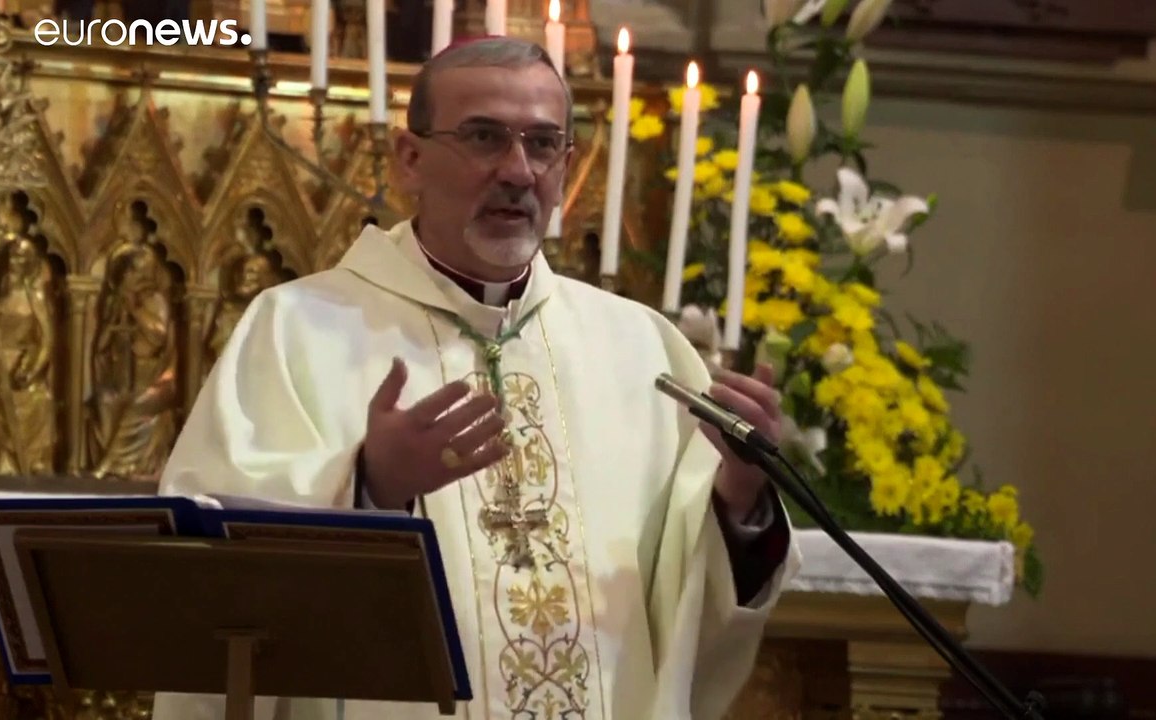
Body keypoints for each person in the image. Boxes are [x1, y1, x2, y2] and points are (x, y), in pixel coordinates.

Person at [153, 36, 800, 720]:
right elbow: (210, 568)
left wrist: (740, 498)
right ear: (409, 159)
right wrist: (368, 489)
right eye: (485, 137)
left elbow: (690, 605)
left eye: (543, 144)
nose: (518, 171)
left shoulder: (641, 348)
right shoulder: (297, 329)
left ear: (566, 167)